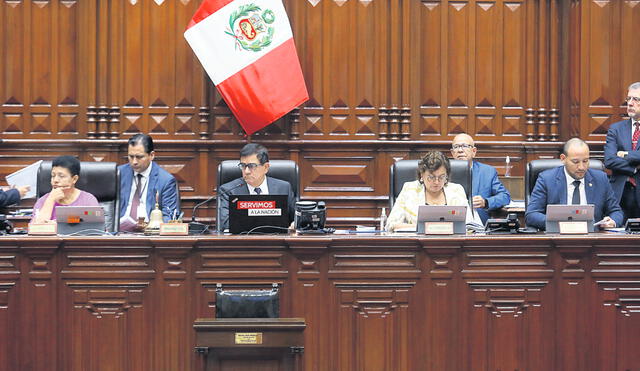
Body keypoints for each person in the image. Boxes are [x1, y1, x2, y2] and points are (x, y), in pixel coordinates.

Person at [526, 138, 623, 230]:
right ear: (563, 159)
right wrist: (558, 223)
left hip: (592, 239)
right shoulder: (547, 179)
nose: (581, 167)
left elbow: (616, 211)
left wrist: (612, 221)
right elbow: (531, 215)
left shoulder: (600, 179)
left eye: (585, 161)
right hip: (558, 238)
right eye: (575, 162)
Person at [385, 151, 481, 232]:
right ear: (422, 175)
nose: (436, 182)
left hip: (452, 244)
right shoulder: (410, 189)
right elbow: (391, 225)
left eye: (441, 177)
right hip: (416, 246)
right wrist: (425, 228)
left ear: (447, 175)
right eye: (431, 177)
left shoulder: (456, 190)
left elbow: (469, 226)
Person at [218, 143, 296, 231]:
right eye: (243, 166)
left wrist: (295, 224)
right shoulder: (228, 190)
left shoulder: (284, 188)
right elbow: (225, 224)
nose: (246, 171)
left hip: (276, 241)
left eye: (252, 166)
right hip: (242, 242)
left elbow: (296, 219)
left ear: (266, 167)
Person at [119, 134, 178, 229]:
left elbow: (169, 216)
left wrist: (151, 227)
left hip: (149, 234)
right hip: (119, 233)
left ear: (151, 155)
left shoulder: (166, 180)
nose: (134, 162)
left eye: (139, 157)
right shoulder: (119, 174)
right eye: (131, 156)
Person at [451, 133, 511, 225]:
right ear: (452, 153)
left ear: (474, 151)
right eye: (456, 147)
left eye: (464, 146)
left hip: (479, 228)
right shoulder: (443, 172)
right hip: (450, 225)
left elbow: (505, 197)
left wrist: (485, 202)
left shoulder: (487, 172)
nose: (460, 150)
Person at [604, 81, 640, 220]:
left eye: (636, 99)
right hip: (619, 194)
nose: (630, 103)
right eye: (628, 99)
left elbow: (617, 158)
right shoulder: (616, 129)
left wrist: (625, 154)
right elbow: (609, 160)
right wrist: (635, 168)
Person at [31, 156, 99, 223]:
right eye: (53, 175)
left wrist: (62, 222)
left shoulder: (88, 200)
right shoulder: (43, 201)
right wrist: (51, 199)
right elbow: (36, 229)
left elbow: (95, 222)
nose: (55, 180)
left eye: (61, 176)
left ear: (74, 179)